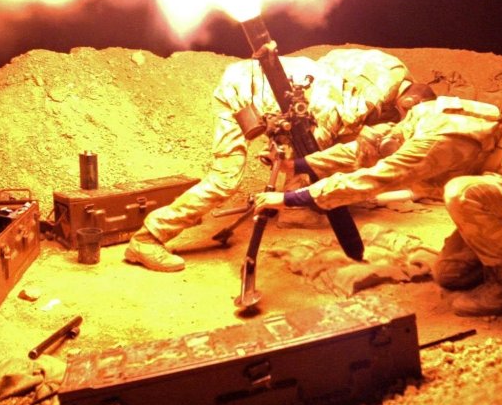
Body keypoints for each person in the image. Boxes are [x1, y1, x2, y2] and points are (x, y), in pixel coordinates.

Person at [253, 94, 502, 316]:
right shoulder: (413, 122)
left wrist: (290, 198)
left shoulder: (433, 143)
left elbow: (375, 178)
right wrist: (297, 165)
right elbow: (360, 154)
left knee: (462, 193)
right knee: (448, 274)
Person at [124, 49, 418, 272]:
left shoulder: (380, 69)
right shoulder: (347, 104)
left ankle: (294, 212)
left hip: (261, 86)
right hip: (246, 95)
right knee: (226, 179)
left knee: (305, 147)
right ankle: (149, 237)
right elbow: (319, 153)